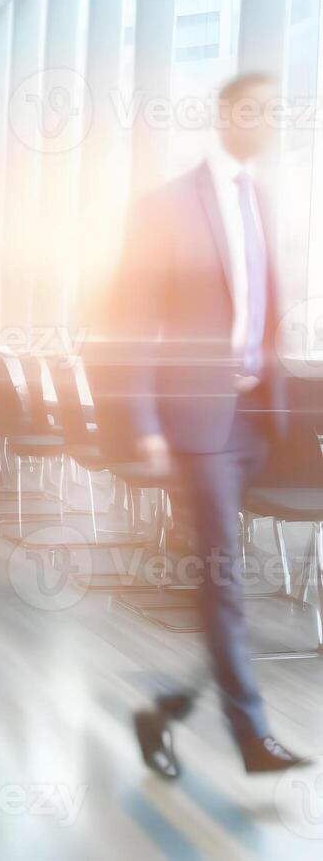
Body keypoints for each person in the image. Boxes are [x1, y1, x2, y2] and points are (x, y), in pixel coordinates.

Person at [118, 72, 308, 779]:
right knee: (224, 573)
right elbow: (131, 317)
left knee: (224, 582)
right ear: (227, 114)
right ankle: (253, 735)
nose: (266, 122)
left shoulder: (259, 200)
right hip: (200, 423)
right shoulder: (166, 206)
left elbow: (265, 305)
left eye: (274, 111)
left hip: (263, 415)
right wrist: (142, 420)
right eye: (255, 110)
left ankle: (162, 709)